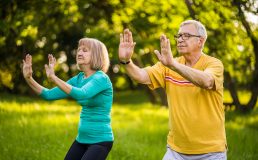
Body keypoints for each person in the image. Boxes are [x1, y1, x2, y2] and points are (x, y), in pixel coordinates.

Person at [119, 20, 227, 160]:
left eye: (186, 35)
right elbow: (141, 76)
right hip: (176, 151)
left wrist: (174, 65)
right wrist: (126, 61)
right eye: (179, 36)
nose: (180, 39)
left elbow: (207, 81)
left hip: (211, 151)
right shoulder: (168, 64)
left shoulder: (213, 63)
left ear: (200, 41)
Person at [22, 38, 114, 160]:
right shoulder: (79, 79)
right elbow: (48, 95)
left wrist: (54, 78)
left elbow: (82, 94)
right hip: (81, 139)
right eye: (79, 50)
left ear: (97, 55)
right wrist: (29, 78)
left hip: (100, 141)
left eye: (85, 50)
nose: (80, 53)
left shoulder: (101, 78)